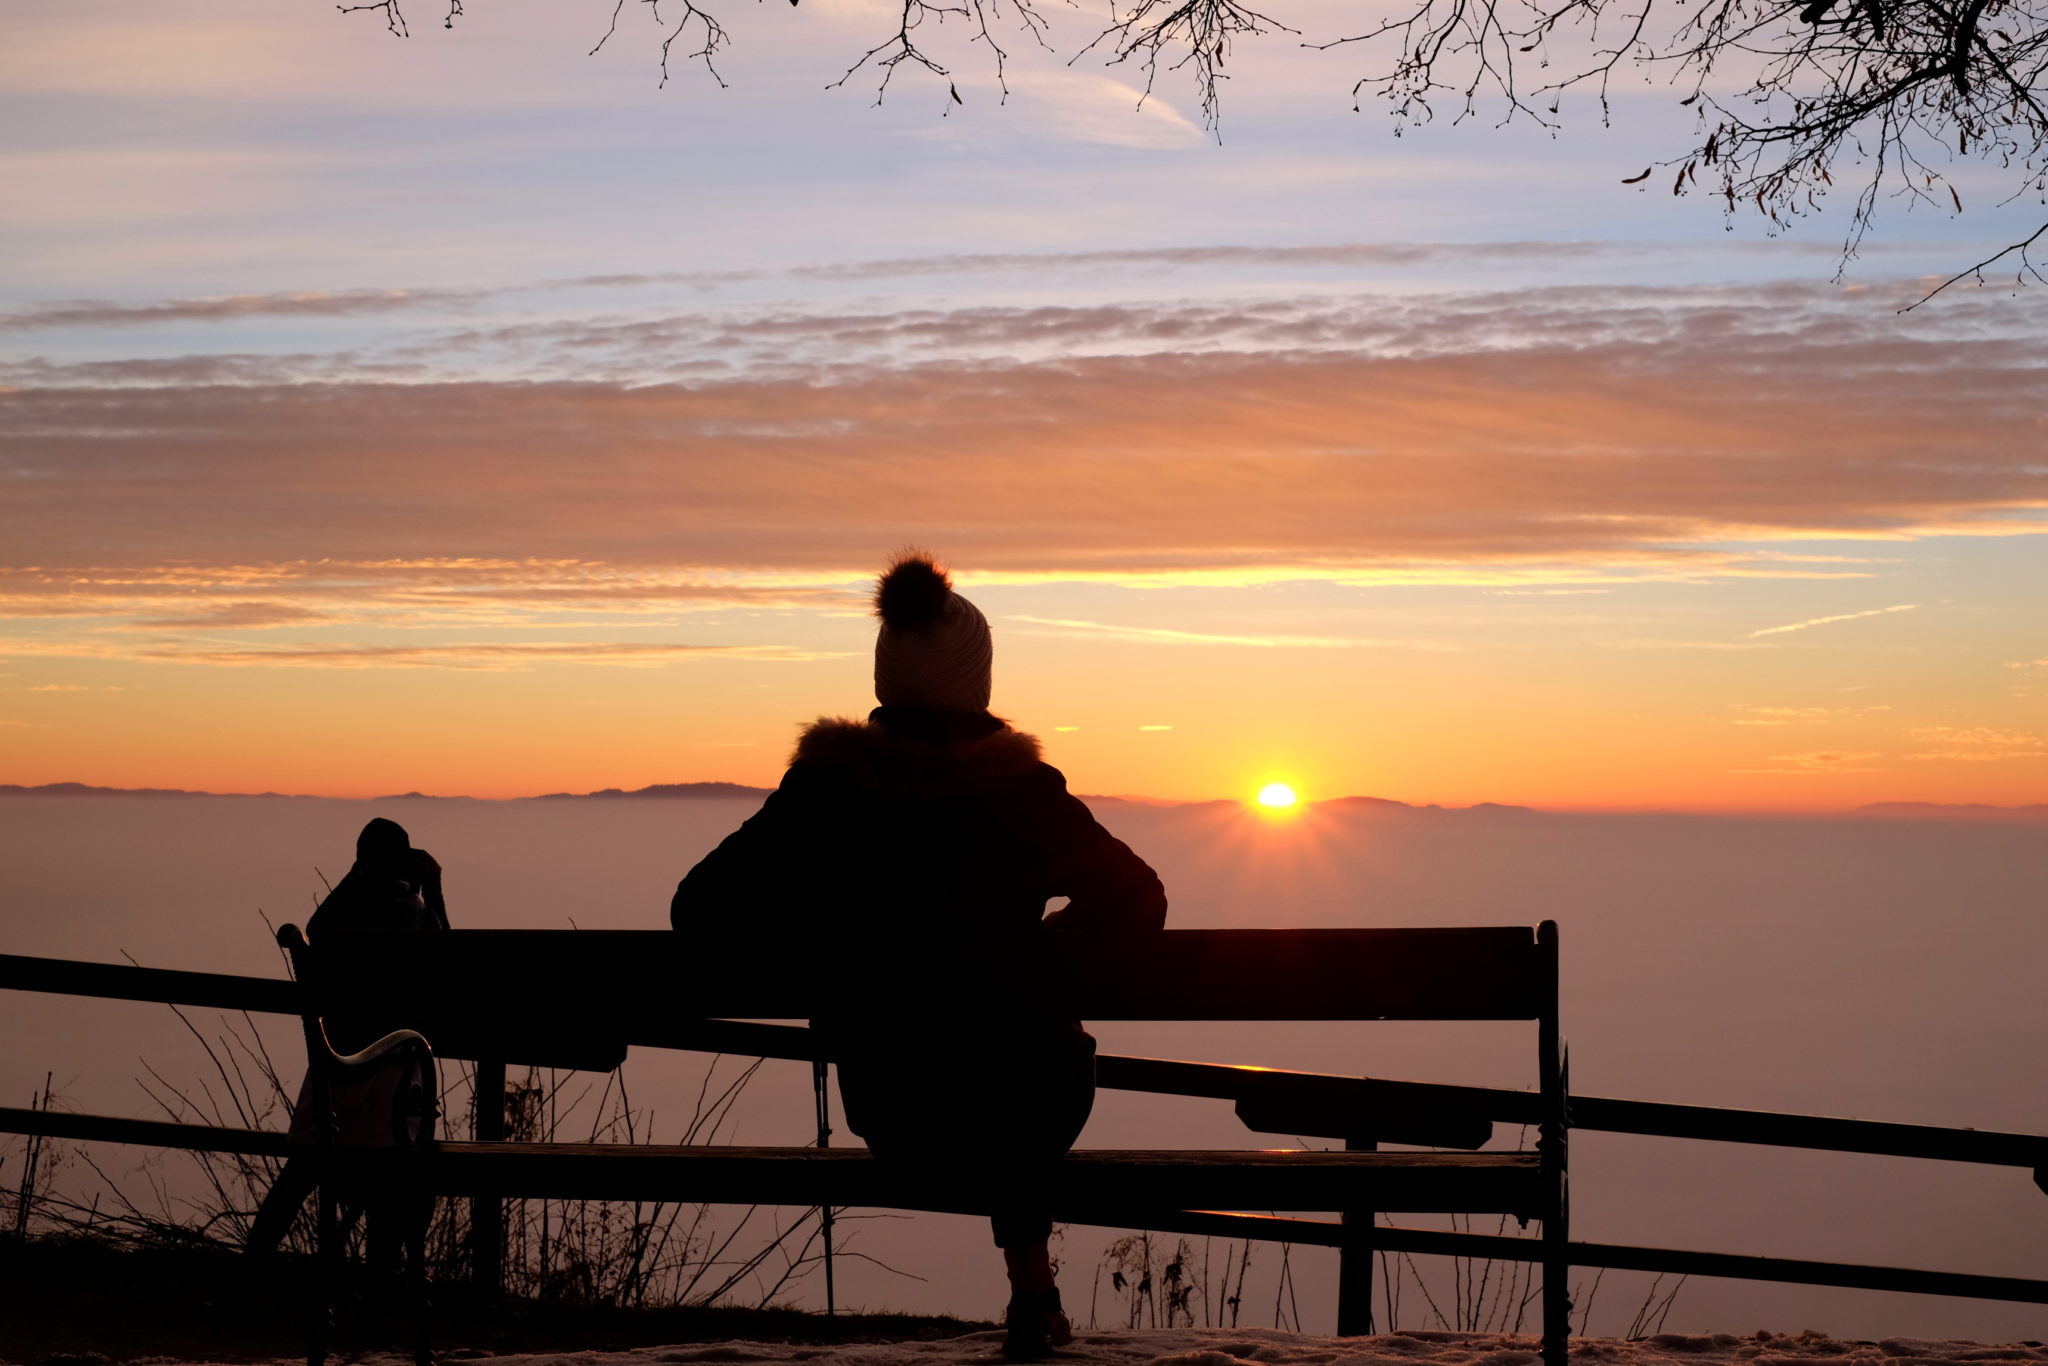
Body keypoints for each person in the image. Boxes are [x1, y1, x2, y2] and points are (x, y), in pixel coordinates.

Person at [671, 551, 1167, 1358]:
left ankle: (1032, 1289)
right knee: (1020, 1064)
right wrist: (1043, 958)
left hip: (895, 1105)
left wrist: (828, 946)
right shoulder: (1024, 794)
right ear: (977, 682)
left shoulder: (826, 793)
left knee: (969, 1063)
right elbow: (1141, 898)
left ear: (886, 679)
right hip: (1034, 1102)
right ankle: (1032, 1291)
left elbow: (700, 910)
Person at [246, 817, 446, 1266]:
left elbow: (316, 926)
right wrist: (431, 887)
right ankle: (379, 1299)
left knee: (298, 1175)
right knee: (393, 1182)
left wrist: (359, 872)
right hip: (391, 1089)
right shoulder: (414, 913)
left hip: (332, 1083)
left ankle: (245, 1278)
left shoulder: (334, 920)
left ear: (360, 864)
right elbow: (445, 965)